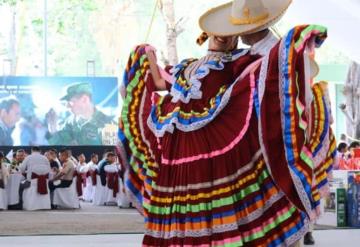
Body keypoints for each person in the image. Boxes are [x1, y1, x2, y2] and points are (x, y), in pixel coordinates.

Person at [118, 0, 337, 246]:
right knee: (211, 207)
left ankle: (295, 227)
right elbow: (157, 81)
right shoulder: (191, 66)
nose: (220, 38)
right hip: (193, 157)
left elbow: (267, 76)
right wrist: (145, 51)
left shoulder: (237, 62)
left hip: (211, 153)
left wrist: (286, 50)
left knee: (227, 202)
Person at [46, 82, 114, 145]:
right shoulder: (70, 122)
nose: (67, 106)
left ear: (84, 99)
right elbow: (59, 146)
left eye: (70, 102)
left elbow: (110, 154)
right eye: (65, 103)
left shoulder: (108, 125)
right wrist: (52, 129)